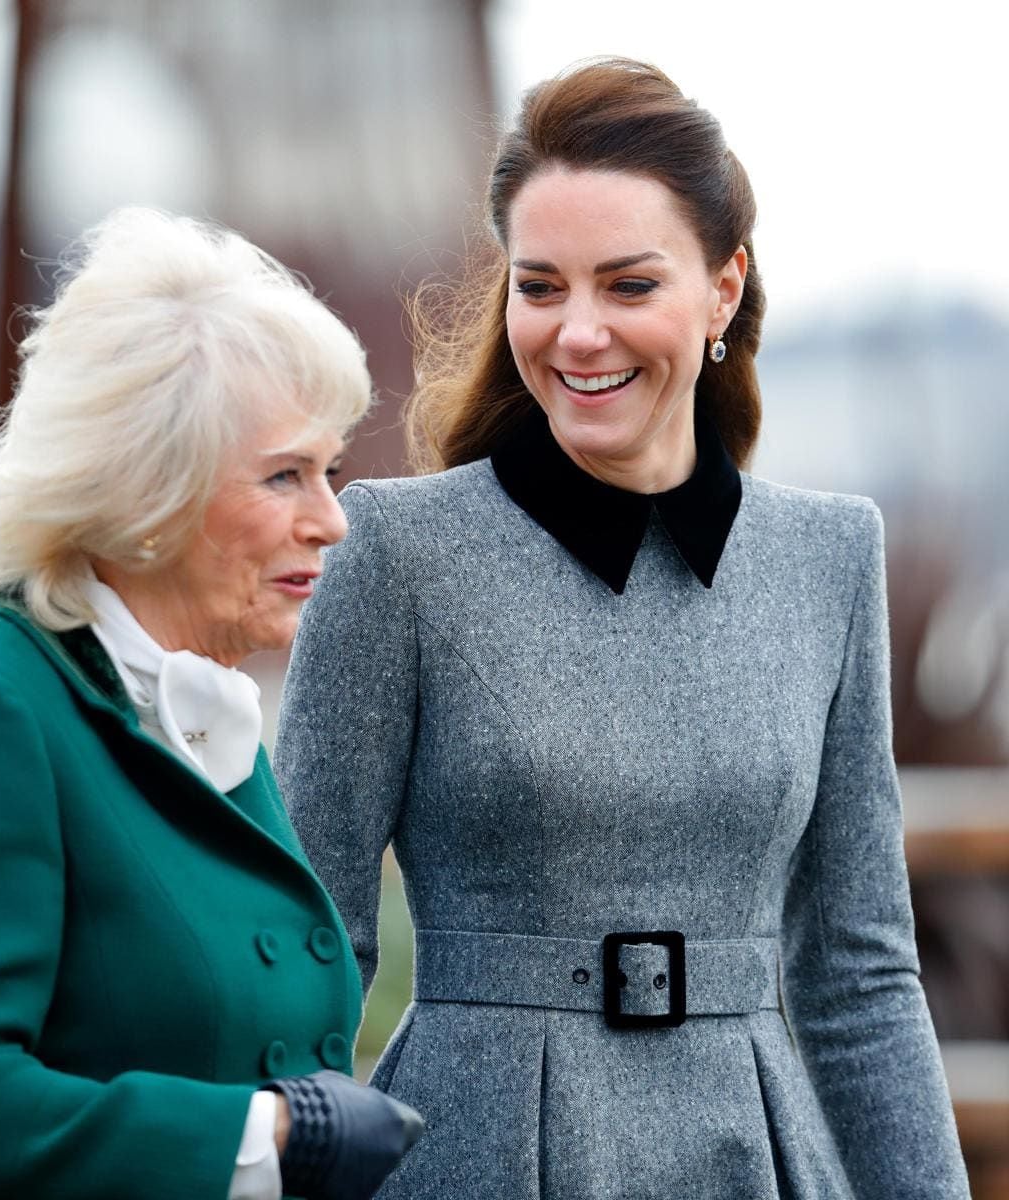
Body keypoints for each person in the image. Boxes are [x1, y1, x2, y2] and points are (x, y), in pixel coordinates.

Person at [275, 59, 970, 1199]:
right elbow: (309, 946)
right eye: (540, 287)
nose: (578, 333)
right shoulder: (397, 553)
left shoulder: (827, 558)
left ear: (723, 291)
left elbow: (860, 977)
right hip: (474, 1154)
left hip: (759, 1160)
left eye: (628, 285)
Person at [0, 207, 422, 1200]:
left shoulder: (204, 715)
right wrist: (272, 1136)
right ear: (149, 493)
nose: (332, 519)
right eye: (285, 475)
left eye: (327, 473)